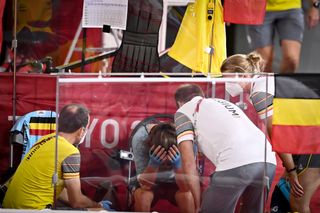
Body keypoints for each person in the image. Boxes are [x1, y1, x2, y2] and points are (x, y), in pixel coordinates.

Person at [221, 52, 320, 213]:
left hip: (314, 136)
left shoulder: (259, 93)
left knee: (298, 204)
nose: (225, 83)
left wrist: (292, 171)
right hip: (307, 134)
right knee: (285, 195)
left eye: (227, 78)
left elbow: (277, 134)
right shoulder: (264, 80)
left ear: (244, 75)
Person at [173, 84, 277, 213]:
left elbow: (188, 163)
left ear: (179, 103)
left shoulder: (183, 111)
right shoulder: (223, 103)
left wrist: (199, 204)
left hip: (237, 160)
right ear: (202, 96)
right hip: (268, 160)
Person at [2, 103, 112, 210]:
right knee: (106, 207)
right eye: (85, 128)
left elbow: (55, 188)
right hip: (33, 210)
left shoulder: (45, 139)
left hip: (10, 208)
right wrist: (99, 206)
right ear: (81, 131)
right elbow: (77, 202)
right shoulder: (70, 152)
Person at [131, 121, 194, 213]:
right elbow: (145, 186)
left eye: (168, 164)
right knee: (143, 195)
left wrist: (177, 165)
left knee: (187, 196)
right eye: (162, 163)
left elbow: (185, 188)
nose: (165, 165)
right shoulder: (141, 138)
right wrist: (153, 164)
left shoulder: (186, 141)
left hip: (176, 184)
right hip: (151, 184)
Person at [246, 0, 319, 73]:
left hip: (291, 7)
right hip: (259, 7)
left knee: (292, 60)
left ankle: (284, 84)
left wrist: (315, 6)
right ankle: (267, 84)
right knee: (263, 62)